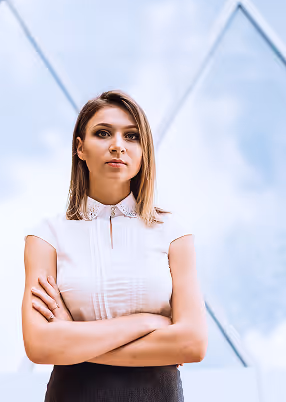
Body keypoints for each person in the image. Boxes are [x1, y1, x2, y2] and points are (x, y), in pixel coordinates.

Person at [22, 90, 208, 401]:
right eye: (103, 133)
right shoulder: (47, 236)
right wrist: (147, 323)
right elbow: (40, 346)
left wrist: (73, 341)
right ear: (80, 148)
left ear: (144, 150)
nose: (117, 145)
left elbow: (193, 343)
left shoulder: (174, 232)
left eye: (132, 136)